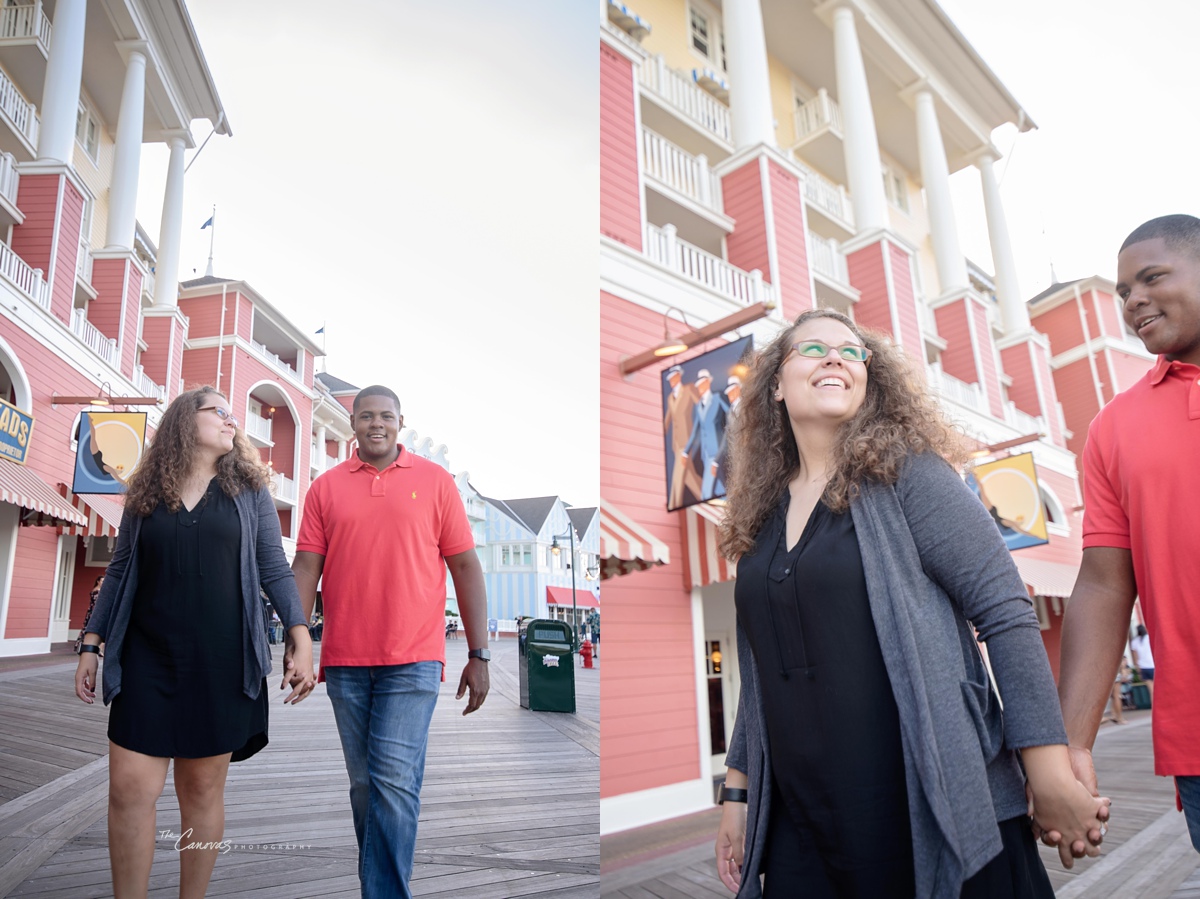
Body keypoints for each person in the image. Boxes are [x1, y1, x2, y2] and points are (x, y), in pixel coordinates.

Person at [712, 310, 1108, 898]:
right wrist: (739, 792)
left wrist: (1047, 771)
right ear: (774, 383)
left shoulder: (909, 478)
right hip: (804, 816)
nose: (836, 359)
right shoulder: (758, 520)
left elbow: (1004, 612)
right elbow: (762, 673)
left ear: (869, 379)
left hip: (928, 796)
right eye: (814, 348)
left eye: (852, 353)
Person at [73, 386, 314, 899]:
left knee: (201, 792)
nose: (232, 421)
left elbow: (273, 566)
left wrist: (301, 636)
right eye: (219, 412)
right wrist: (91, 644)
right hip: (146, 658)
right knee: (130, 791)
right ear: (187, 419)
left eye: (233, 415)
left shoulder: (249, 490)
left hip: (222, 661)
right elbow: (119, 571)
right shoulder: (145, 490)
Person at [289, 385, 490, 899]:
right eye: (365, 416)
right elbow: (306, 566)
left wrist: (479, 652)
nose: (376, 424)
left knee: (394, 783)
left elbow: (465, 566)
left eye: (386, 416)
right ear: (352, 422)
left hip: (415, 658)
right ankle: (378, 884)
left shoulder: (435, 481)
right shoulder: (324, 489)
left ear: (401, 422)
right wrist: (298, 640)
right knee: (366, 786)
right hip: (346, 659)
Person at [1056, 214, 1200, 854]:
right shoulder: (1111, 429)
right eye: (1122, 291)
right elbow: (1105, 586)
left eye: (1151, 277)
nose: (1132, 300)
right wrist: (1072, 747)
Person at [683, 369, 729, 501]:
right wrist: (686, 451)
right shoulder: (698, 406)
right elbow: (695, 430)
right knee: (719, 487)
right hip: (705, 453)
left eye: (702, 384)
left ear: (708, 383)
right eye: (698, 385)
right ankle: (729, 505)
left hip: (715, 451)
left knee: (706, 493)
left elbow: (730, 413)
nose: (700, 388)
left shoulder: (716, 398)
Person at [663, 364, 701, 508]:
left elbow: (700, 404)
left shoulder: (688, 389)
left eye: (673, 377)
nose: (671, 381)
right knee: (689, 478)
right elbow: (668, 418)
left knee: (677, 478)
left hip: (686, 441)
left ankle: (673, 504)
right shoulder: (670, 397)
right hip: (676, 443)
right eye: (670, 379)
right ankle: (706, 498)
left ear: (679, 376)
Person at [73, 574, 105, 654]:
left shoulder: (98, 590)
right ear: (98, 581)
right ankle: (88, 647)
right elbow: (97, 603)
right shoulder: (97, 591)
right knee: (94, 629)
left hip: (92, 612)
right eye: (102, 581)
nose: (103, 583)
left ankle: (83, 646)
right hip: (94, 612)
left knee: (88, 629)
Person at [1128, 624, 1154, 701]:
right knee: (1158, 688)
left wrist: (1137, 667)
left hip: (1143, 666)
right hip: (1152, 665)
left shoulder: (1135, 641)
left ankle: (1153, 705)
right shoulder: (1149, 638)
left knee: (1151, 689)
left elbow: (1135, 657)